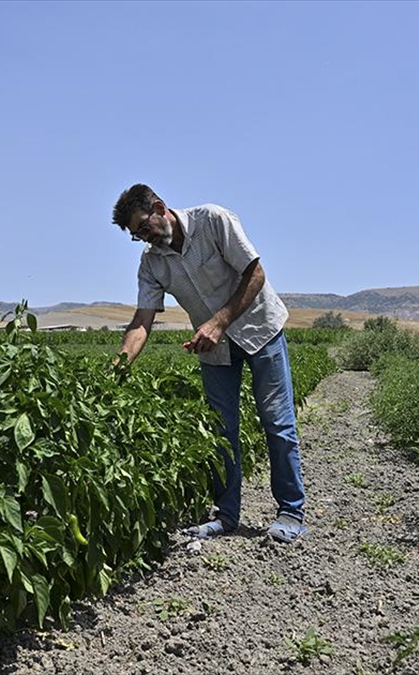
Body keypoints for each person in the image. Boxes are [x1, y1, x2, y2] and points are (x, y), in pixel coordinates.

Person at [110, 183, 308, 543]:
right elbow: (142, 320)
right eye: (136, 235)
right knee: (221, 432)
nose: (144, 238)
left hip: (260, 330)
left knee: (277, 423)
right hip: (215, 350)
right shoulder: (152, 263)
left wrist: (218, 322)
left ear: (159, 207)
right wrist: (120, 364)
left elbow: (256, 274)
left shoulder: (213, 220)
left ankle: (291, 512)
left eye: (144, 227)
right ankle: (227, 516)